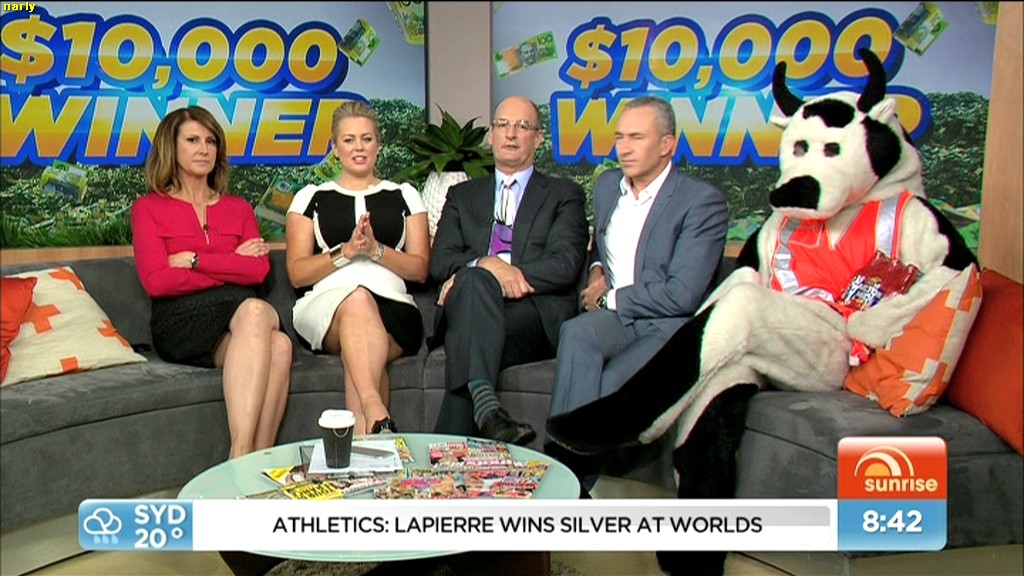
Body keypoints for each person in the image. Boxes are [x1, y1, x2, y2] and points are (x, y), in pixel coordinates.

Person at [546, 95, 728, 483]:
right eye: (620, 137)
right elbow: (601, 246)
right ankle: (560, 468)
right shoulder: (607, 186)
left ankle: (573, 482)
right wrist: (597, 272)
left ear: (667, 144)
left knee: (610, 387)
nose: (624, 148)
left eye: (637, 138)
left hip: (667, 326)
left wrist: (610, 297)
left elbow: (683, 294)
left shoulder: (701, 202)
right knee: (576, 332)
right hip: (617, 318)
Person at [131, 105, 292, 460]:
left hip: (236, 318)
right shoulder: (148, 208)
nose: (204, 149)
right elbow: (157, 281)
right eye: (192, 140)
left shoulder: (239, 208)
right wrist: (233, 262)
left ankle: (255, 464)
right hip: (180, 322)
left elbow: (258, 272)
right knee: (254, 310)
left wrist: (195, 260)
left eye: (211, 141)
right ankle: (241, 454)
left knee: (280, 345)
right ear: (172, 148)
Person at [430, 95, 588, 445]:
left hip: (530, 313)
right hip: (471, 302)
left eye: (522, 126)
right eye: (502, 125)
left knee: (468, 326)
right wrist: (487, 265)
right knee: (475, 280)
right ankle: (489, 414)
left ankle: (447, 454)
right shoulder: (462, 195)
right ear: (491, 134)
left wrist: (496, 274)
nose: (511, 134)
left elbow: (564, 264)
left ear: (538, 138)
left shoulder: (564, 194)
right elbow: (440, 260)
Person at [285, 101, 429, 435]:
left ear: (378, 145)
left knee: (361, 351)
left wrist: (375, 250)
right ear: (335, 148)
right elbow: (297, 273)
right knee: (358, 301)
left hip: (394, 308)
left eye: (366, 139)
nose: (358, 147)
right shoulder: (311, 197)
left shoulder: (405, 195)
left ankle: (369, 432)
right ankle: (374, 408)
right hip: (327, 308)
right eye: (348, 140)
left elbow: (420, 269)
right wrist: (346, 252)